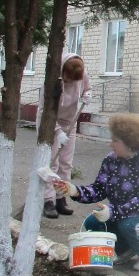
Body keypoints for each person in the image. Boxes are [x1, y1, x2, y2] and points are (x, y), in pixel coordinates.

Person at [54, 113, 139, 271]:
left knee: (129, 224)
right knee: (93, 222)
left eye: (115, 141)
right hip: (125, 212)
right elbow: (99, 188)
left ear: (130, 143)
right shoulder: (111, 159)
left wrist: (112, 212)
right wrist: (75, 191)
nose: (111, 145)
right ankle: (126, 249)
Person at [39, 52, 92, 219]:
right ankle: (48, 200)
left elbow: (87, 88)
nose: (69, 82)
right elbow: (43, 111)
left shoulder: (81, 74)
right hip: (50, 122)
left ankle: (61, 198)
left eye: (73, 80)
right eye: (67, 79)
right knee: (52, 163)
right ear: (63, 71)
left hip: (69, 122)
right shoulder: (51, 81)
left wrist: (87, 95)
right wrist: (57, 131)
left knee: (65, 163)